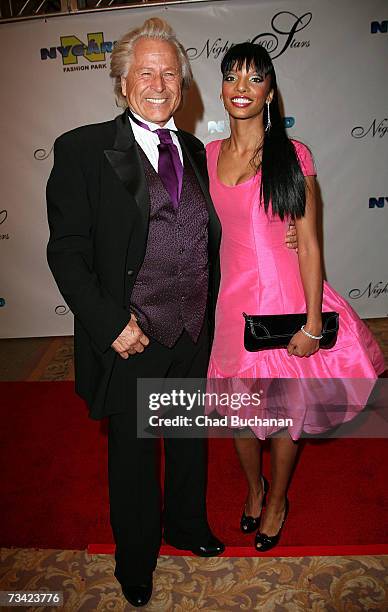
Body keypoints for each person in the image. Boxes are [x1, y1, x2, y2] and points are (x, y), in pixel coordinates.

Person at [47, 19, 297, 606]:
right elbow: (66, 251)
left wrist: (287, 232)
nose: (159, 84)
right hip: (132, 333)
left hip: (193, 327)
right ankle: (135, 560)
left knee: (186, 438)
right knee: (134, 453)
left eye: (170, 74)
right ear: (122, 83)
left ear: (183, 86)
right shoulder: (82, 148)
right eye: (146, 73)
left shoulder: (194, 149)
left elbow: (237, 212)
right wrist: (112, 324)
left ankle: (185, 524)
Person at [206, 42, 385, 552]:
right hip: (231, 304)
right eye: (232, 77)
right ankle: (254, 488)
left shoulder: (293, 154)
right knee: (241, 414)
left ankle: (278, 499)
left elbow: (308, 242)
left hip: (284, 300)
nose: (242, 87)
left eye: (254, 78)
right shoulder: (208, 156)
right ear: (220, 90)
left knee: (284, 416)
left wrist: (312, 322)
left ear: (270, 91)